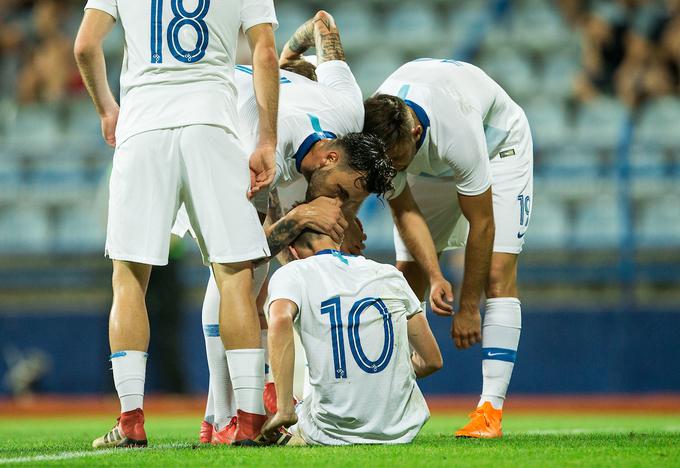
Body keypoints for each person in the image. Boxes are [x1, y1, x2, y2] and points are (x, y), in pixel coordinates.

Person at [171, 11, 396, 444]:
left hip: (263, 117)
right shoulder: (262, 147)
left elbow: (324, 23)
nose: (339, 203)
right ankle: (223, 417)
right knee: (238, 276)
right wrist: (298, 217)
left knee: (283, 265)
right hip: (210, 127)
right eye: (344, 194)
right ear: (331, 158)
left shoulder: (348, 111)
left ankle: (244, 406)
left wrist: (284, 61)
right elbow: (241, 255)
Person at [74, 0, 280, 448]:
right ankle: (246, 421)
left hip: (143, 127)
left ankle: (130, 422)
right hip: (212, 124)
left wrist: (109, 110)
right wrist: (266, 137)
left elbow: (85, 45)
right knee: (234, 277)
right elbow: (264, 52)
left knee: (128, 278)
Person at [363, 58, 534, 438]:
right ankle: (388, 405)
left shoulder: (455, 128)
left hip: (497, 146)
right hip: (428, 166)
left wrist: (468, 307)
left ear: (415, 131)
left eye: (394, 161)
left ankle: (489, 411)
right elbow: (405, 211)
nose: (388, 169)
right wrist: (436, 274)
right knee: (409, 277)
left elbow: (483, 222)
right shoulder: (380, 138)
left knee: (497, 273)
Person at [261, 225, 442, 445]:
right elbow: (432, 361)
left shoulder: (293, 272)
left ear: (294, 252)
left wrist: (285, 410)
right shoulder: (389, 274)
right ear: (338, 236)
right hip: (402, 429)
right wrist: (380, 379)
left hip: (330, 430)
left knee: (267, 422)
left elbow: (280, 320)